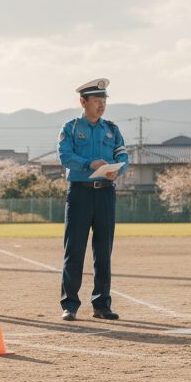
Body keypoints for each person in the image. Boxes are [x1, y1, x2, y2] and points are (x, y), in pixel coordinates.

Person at [57, 78, 130, 321]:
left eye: (104, 100)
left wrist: (117, 169)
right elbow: (65, 156)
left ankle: (102, 304)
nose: (101, 105)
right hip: (79, 193)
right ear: (83, 101)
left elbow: (123, 154)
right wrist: (89, 163)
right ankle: (70, 304)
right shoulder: (70, 128)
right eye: (97, 100)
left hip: (106, 193)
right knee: (74, 250)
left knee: (103, 251)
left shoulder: (112, 129)